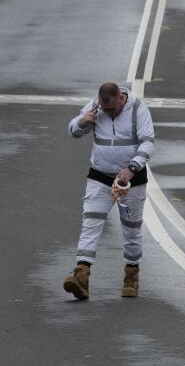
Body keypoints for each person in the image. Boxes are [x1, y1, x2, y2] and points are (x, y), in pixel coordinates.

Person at [63, 82, 156, 300]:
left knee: (131, 229)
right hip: (100, 177)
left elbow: (148, 143)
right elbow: (73, 130)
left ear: (120, 98)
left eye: (112, 108)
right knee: (90, 222)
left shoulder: (138, 109)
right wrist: (83, 121)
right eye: (105, 109)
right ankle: (81, 276)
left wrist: (132, 167)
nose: (108, 112)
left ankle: (131, 276)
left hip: (131, 180)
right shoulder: (97, 107)